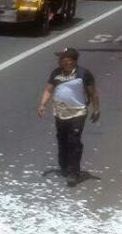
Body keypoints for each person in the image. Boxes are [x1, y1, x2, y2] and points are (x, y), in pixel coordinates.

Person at [37, 48, 100, 186]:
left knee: (74, 141)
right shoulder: (56, 73)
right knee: (62, 139)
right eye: (59, 58)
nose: (59, 60)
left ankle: (73, 172)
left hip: (78, 112)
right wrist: (42, 105)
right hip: (60, 113)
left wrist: (96, 109)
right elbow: (48, 90)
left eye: (62, 58)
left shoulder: (83, 74)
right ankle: (64, 165)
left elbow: (93, 93)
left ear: (71, 60)